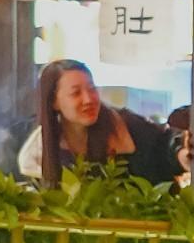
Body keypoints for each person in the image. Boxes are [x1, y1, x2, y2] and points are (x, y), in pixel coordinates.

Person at [17, 60, 180, 185]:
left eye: (91, 89)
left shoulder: (126, 127)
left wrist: (180, 151)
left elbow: (165, 146)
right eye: (76, 93)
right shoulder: (37, 152)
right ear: (53, 102)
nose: (88, 99)